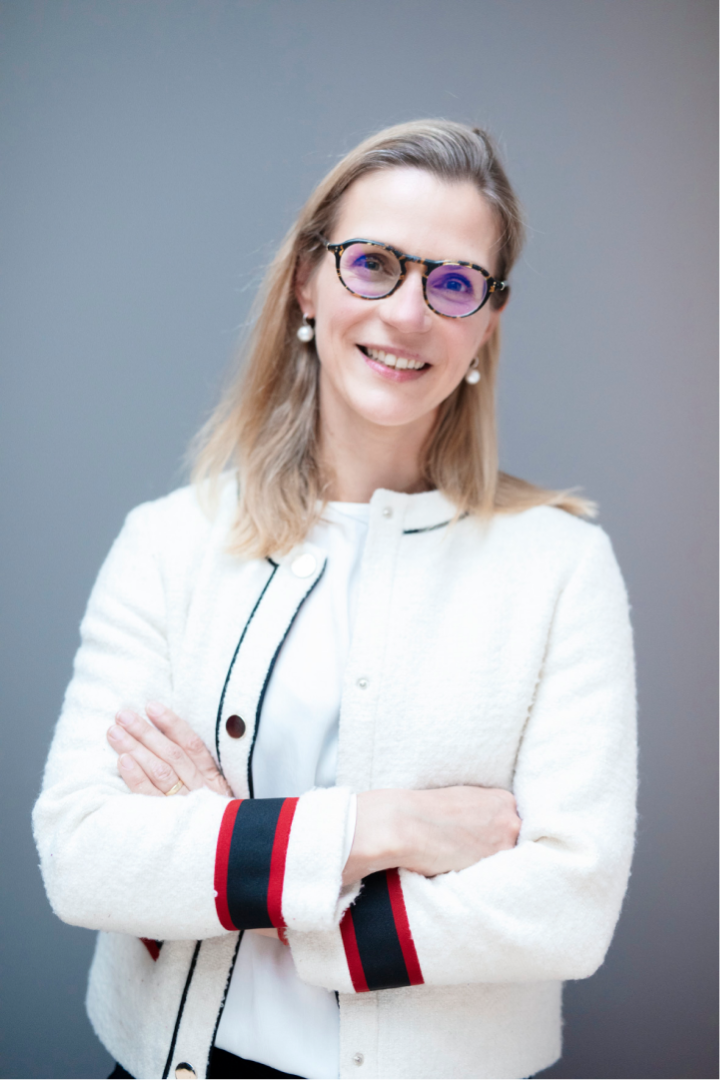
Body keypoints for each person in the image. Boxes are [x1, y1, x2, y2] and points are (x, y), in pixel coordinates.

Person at [33, 120, 637, 1080]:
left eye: (454, 283)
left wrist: (248, 863)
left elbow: (570, 907)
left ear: (486, 322)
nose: (408, 314)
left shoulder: (560, 566)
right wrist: (383, 828)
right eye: (374, 264)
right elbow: (84, 855)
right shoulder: (170, 543)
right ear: (307, 283)